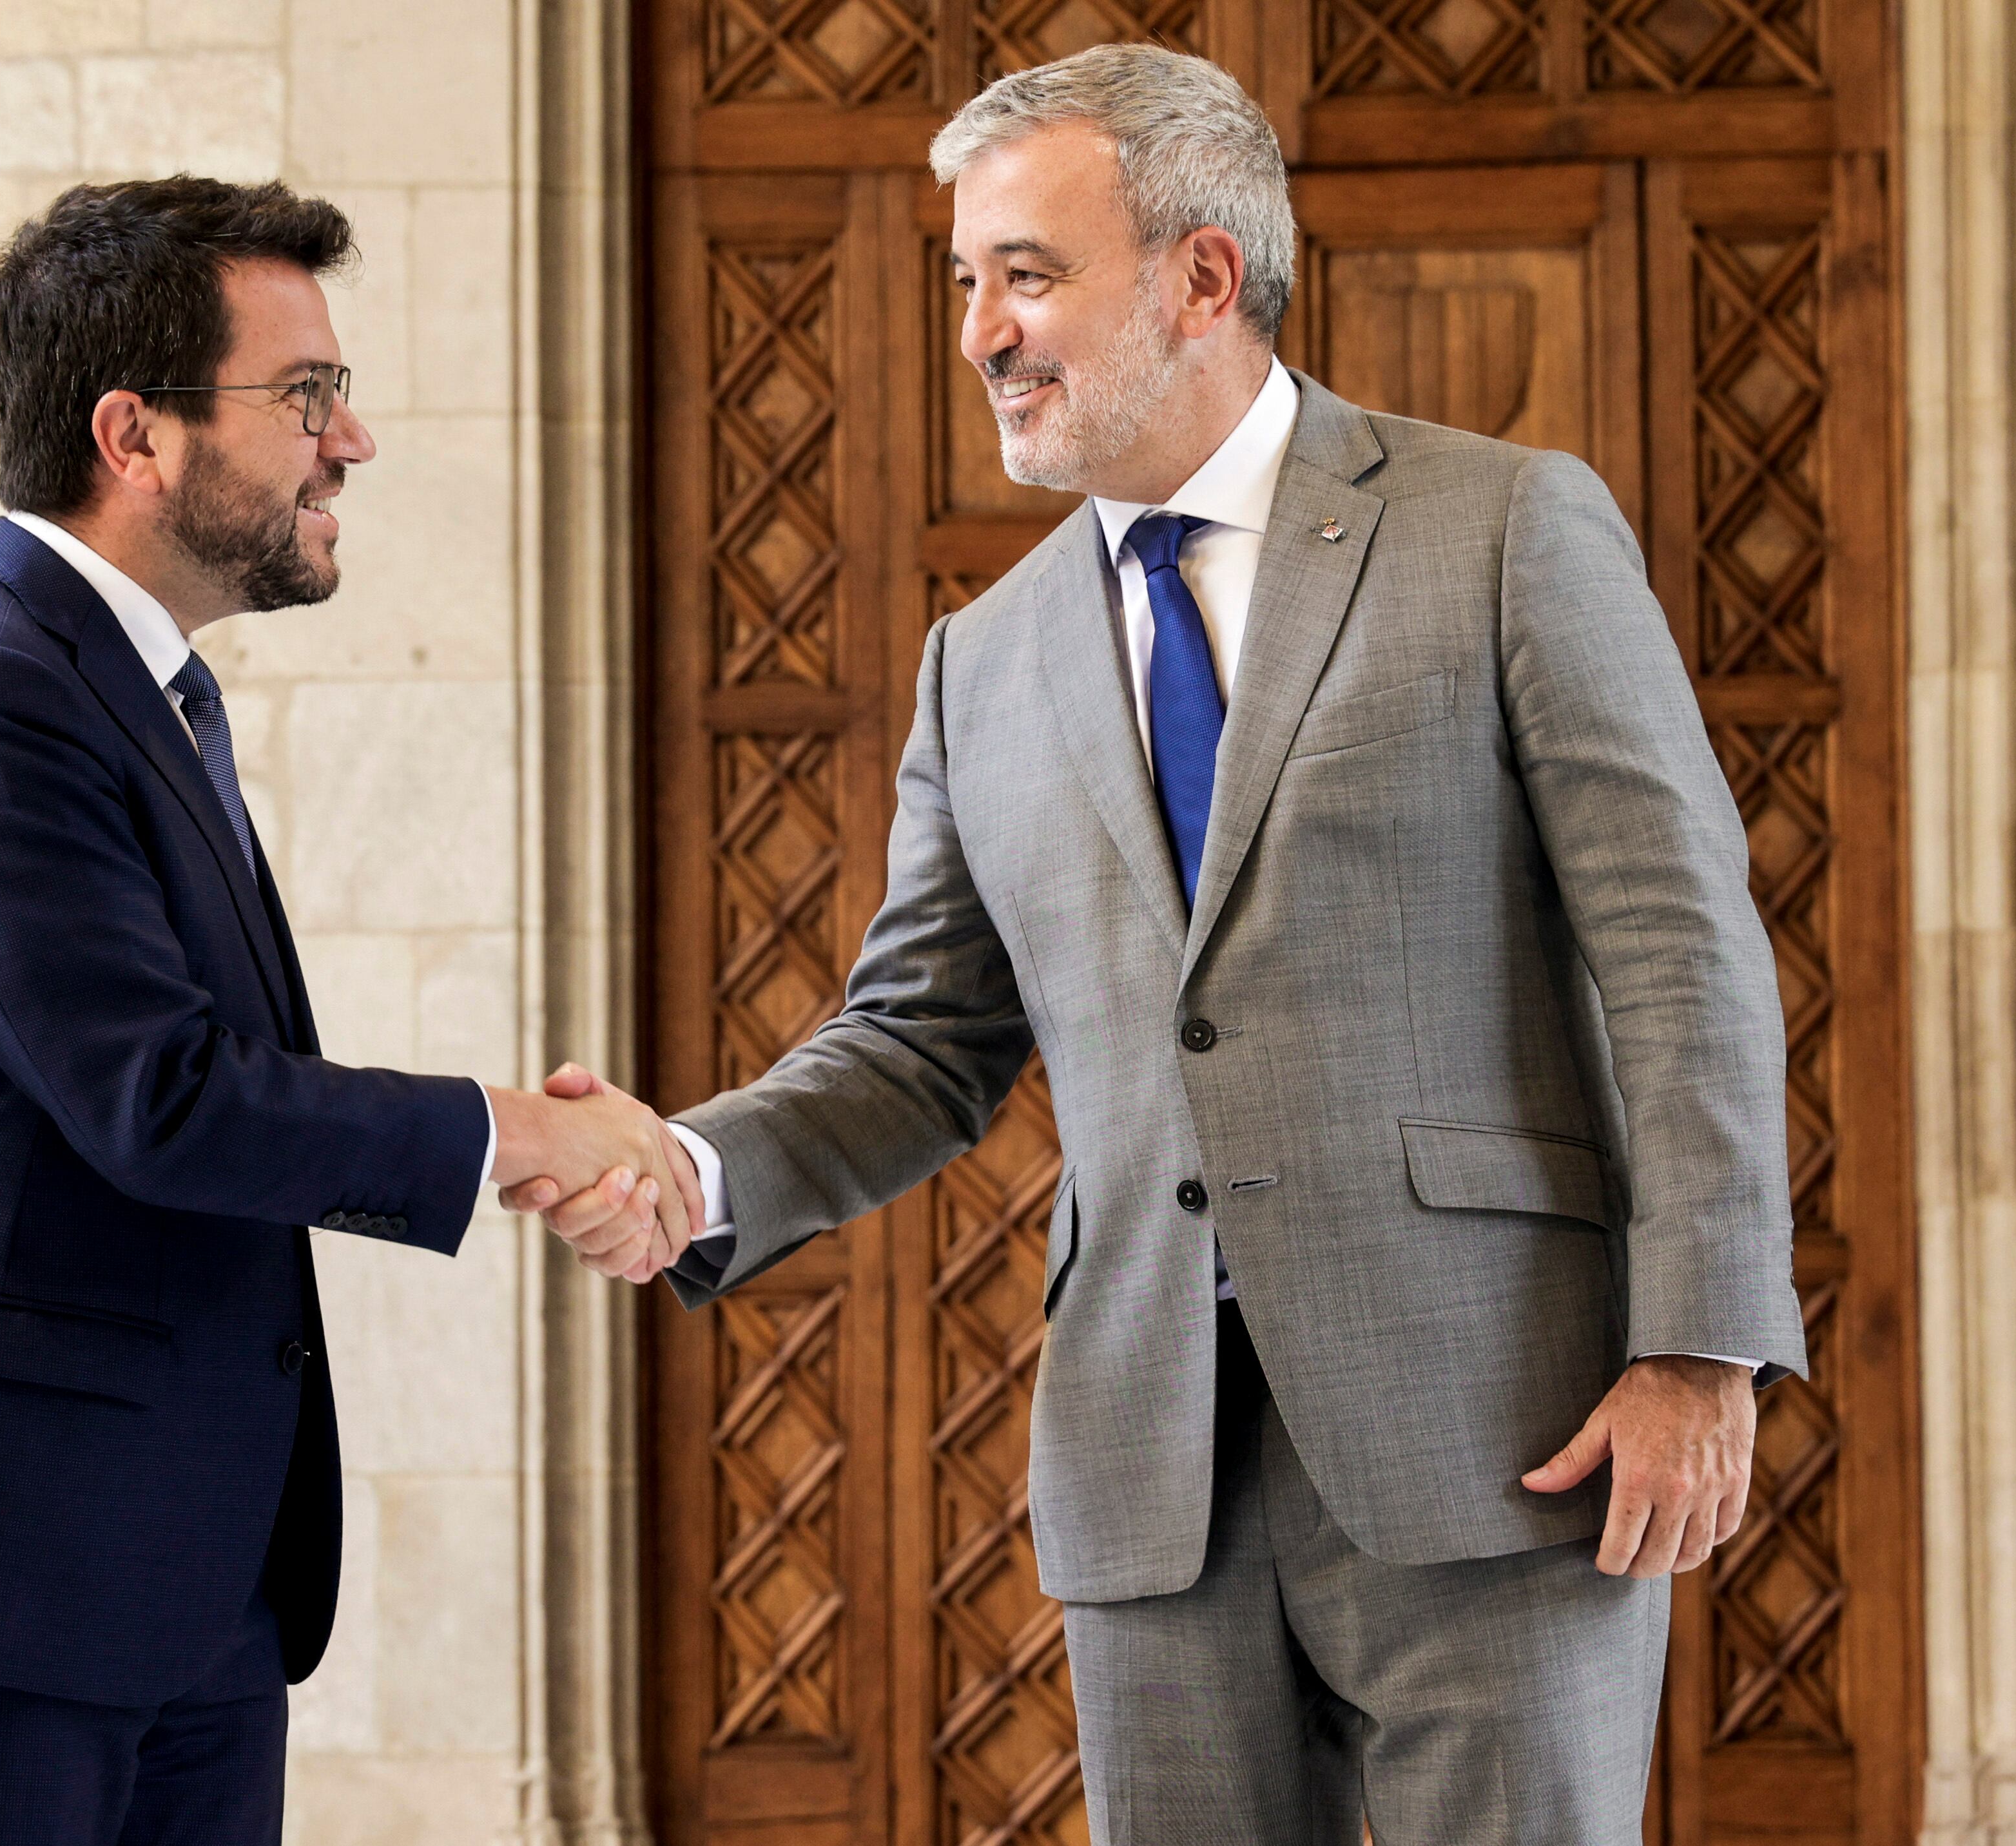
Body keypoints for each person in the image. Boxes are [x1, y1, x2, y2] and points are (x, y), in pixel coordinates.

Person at [515, 45, 1805, 1845]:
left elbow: (1677, 950)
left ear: (1203, 276)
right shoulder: (987, 659)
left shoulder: (1502, 527)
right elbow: (915, 1045)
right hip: (1151, 1475)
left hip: (1508, 1436)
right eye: (965, 281)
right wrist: (688, 1163)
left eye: (1025, 273)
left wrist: (1699, 1347)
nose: (978, 331)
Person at [0, 175, 690, 1845]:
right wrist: (516, 1132)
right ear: (132, 433)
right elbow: (160, 1098)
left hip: (157, 1566)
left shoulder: (145, 692)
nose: (349, 439)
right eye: (303, 395)